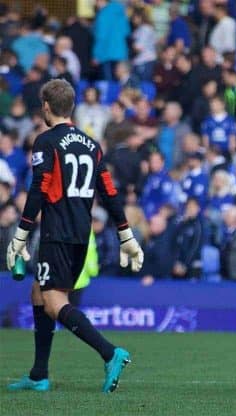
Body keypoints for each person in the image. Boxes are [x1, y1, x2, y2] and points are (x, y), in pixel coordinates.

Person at [6, 79, 144, 393]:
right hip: (81, 235)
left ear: (45, 106)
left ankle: (110, 353)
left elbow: (39, 189)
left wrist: (21, 234)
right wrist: (126, 235)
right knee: (38, 293)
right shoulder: (92, 145)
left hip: (57, 233)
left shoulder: (46, 141)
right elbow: (109, 193)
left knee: (54, 302)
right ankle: (39, 374)